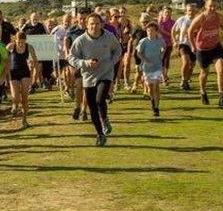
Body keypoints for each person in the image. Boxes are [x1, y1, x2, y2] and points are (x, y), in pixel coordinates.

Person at [68, 13, 123, 146]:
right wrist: (85, 63)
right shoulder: (81, 40)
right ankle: (100, 135)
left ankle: (104, 118)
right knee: (92, 107)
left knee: (100, 99)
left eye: (97, 23)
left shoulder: (109, 37)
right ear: (87, 25)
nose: (94, 26)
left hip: (105, 73)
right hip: (88, 76)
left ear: (101, 24)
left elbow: (118, 50)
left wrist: (111, 62)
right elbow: (71, 58)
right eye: (91, 24)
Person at [187, 0, 223, 107]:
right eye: (210, 6)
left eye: (215, 6)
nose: (213, 8)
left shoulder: (218, 17)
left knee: (221, 70)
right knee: (204, 73)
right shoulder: (200, 18)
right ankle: (202, 91)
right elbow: (190, 31)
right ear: (206, 6)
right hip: (202, 49)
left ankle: (222, 97)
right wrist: (193, 46)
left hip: (216, 47)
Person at [6, 31, 38, 129]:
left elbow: (35, 60)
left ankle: (24, 120)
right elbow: (4, 59)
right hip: (13, 72)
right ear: (15, 40)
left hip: (25, 72)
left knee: (25, 98)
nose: (20, 44)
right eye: (19, 42)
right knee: (16, 97)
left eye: (23, 42)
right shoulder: (10, 47)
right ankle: (14, 104)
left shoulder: (29, 47)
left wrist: (33, 66)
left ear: (25, 40)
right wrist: (5, 73)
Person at [136, 22, 166, 117]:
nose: (150, 32)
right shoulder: (144, 41)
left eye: (152, 31)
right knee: (150, 88)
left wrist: (161, 55)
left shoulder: (160, 40)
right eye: (148, 30)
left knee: (156, 86)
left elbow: (164, 48)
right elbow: (138, 53)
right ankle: (153, 103)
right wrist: (146, 61)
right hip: (147, 68)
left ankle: (156, 108)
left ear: (156, 31)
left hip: (157, 66)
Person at [171, 2, 197, 91]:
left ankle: (186, 80)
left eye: (193, 10)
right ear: (186, 11)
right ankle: (183, 80)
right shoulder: (182, 19)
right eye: (189, 10)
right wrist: (174, 41)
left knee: (192, 65)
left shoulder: (198, 20)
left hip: (194, 45)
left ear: (195, 11)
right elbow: (173, 30)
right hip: (183, 44)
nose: (191, 12)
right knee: (186, 62)